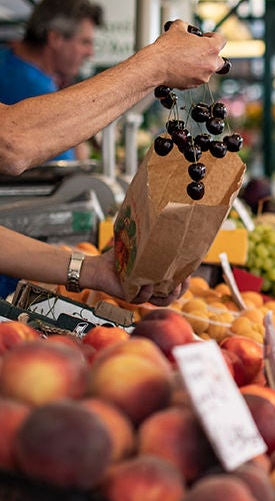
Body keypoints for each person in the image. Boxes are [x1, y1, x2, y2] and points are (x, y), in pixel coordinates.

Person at [0, 20, 228, 304]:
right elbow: (11, 141)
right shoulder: (22, 77)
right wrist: (157, 63)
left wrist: (93, 270)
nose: (89, 51)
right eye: (84, 42)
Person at [0, 0, 104, 164]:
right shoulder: (34, 88)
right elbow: (67, 173)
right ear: (55, 38)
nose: (90, 53)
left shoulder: (8, 61)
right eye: (84, 42)